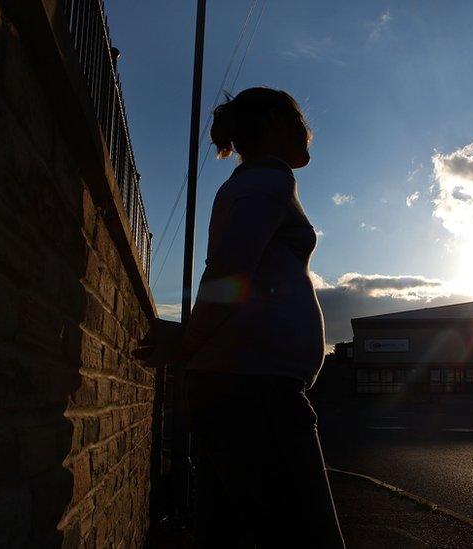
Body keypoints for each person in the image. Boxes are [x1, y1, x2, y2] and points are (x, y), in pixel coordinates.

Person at [135, 87, 344, 548]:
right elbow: (230, 271)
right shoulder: (266, 182)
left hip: (241, 387)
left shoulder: (257, 183)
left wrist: (192, 340)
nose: (307, 131)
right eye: (298, 118)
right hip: (254, 391)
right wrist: (189, 341)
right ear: (274, 123)